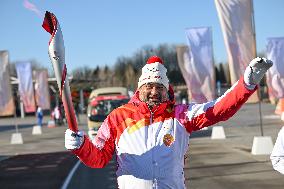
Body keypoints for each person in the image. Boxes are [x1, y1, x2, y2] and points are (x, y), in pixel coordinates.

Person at [65, 56, 273, 188]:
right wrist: (81, 146)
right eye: (149, 86)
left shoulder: (180, 115)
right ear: (140, 88)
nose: (154, 91)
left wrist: (245, 85)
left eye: (159, 87)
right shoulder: (119, 117)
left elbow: (217, 110)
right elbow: (98, 158)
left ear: (166, 90)